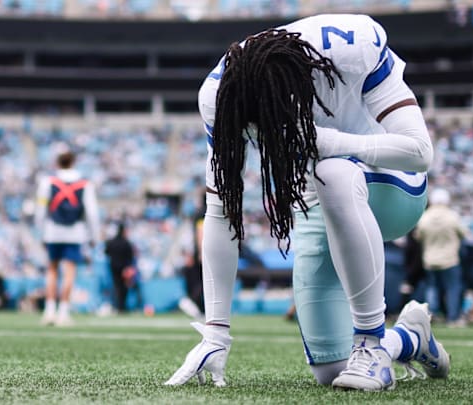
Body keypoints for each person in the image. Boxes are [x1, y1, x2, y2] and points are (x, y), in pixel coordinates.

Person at [166, 14, 450, 391]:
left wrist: (332, 143)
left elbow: (418, 152)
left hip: (392, 187)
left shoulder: (352, 47)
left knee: (331, 171)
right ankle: (410, 339)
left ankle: (369, 343)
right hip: (320, 203)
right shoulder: (218, 95)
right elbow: (221, 211)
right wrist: (216, 334)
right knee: (332, 371)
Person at [35, 148, 100, 326]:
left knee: (52, 270)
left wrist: (40, 232)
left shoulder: (48, 181)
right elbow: (92, 213)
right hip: (75, 232)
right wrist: (94, 235)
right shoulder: (85, 184)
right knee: (69, 272)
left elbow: (40, 209)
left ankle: (49, 311)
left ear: (58, 162)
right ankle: (63, 312)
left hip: (52, 231)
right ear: (73, 161)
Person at [413, 189, 468, 324]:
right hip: (450, 259)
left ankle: (432, 314)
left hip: (430, 259)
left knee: (432, 287)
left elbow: (418, 236)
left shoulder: (424, 217)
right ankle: (452, 316)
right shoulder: (452, 216)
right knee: (452, 288)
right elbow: (464, 233)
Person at [104, 223, 136, 313]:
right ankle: (122, 306)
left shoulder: (111, 242)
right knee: (123, 288)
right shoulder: (126, 243)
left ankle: (117, 306)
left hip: (114, 267)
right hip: (124, 268)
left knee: (117, 286)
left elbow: (106, 252)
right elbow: (130, 256)